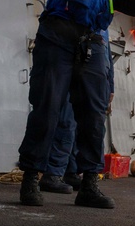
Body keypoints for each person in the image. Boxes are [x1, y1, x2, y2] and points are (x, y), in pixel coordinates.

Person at [16, 0, 135, 208]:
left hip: (94, 40)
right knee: (46, 109)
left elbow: (133, 6)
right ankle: (30, 179)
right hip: (57, 35)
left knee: (94, 118)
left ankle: (88, 184)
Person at [41, 28, 114, 195]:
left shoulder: (103, 25)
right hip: (76, 68)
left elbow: (106, 53)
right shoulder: (85, 16)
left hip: (96, 73)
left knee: (87, 127)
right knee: (66, 122)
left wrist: (110, 86)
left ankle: (72, 172)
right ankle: (53, 173)